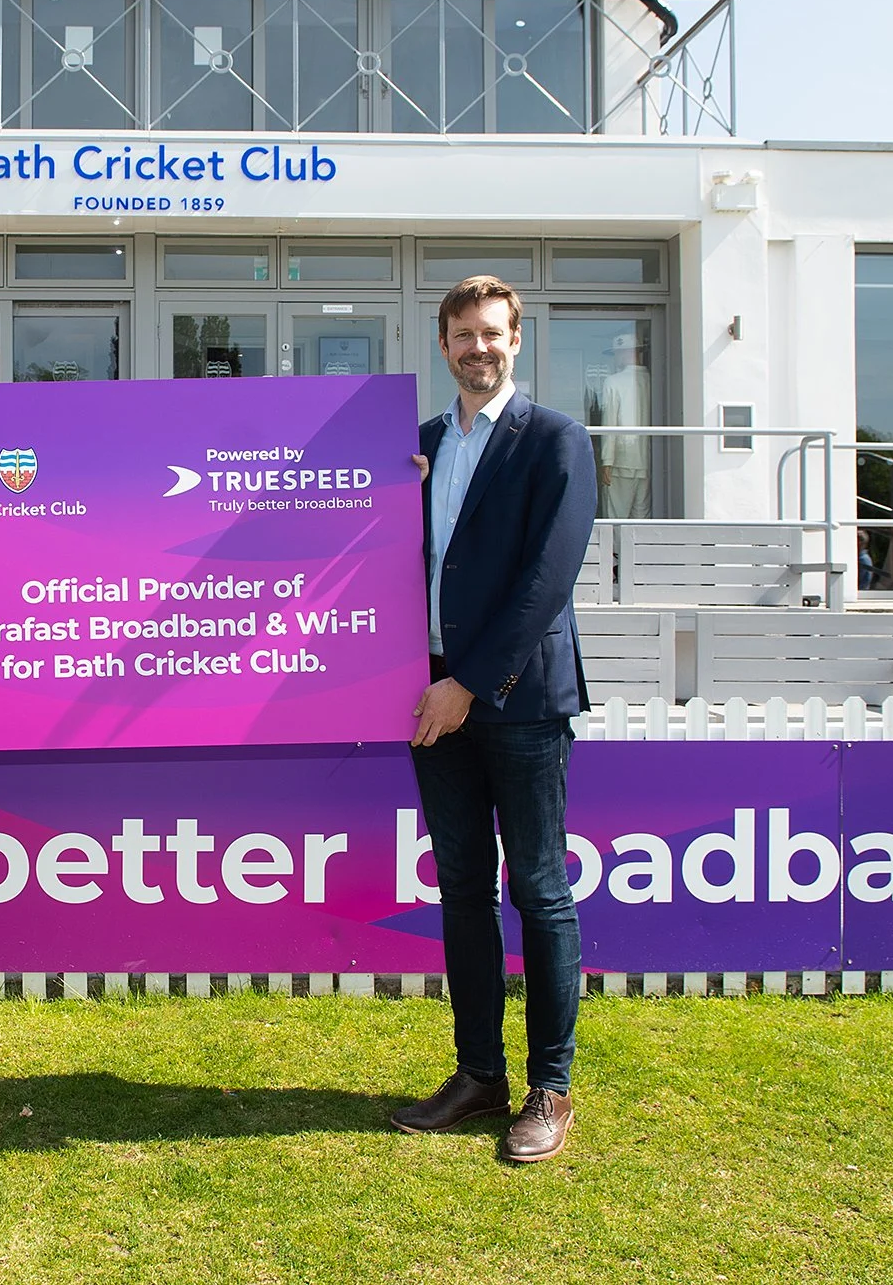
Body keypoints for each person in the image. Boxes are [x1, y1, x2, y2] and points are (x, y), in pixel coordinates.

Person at [393, 275, 597, 1165]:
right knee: (464, 891)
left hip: (515, 700)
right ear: (442, 345)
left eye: (493, 333)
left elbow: (546, 583)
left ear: (517, 340)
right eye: (463, 334)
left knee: (540, 893)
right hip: (429, 697)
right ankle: (480, 1075)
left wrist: (466, 685)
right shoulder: (418, 446)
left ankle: (550, 1090)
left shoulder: (556, 439)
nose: (479, 348)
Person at [595, 330, 651, 519]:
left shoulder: (613, 381)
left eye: (618, 353)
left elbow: (609, 423)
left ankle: (616, 550)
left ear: (627, 353)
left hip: (621, 459)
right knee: (641, 517)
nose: (616, 358)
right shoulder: (651, 380)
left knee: (616, 517)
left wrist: (607, 460)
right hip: (647, 460)